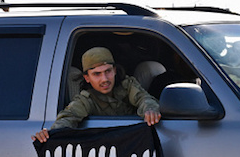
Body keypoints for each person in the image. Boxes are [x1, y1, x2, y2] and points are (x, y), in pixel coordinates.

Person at [32, 47, 161, 142]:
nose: (104, 79)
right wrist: (52, 134)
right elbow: (69, 116)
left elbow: (143, 98)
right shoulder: (86, 99)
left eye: (108, 71)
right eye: (97, 74)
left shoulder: (127, 85)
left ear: (115, 70)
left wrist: (150, 110)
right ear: (87, 78)